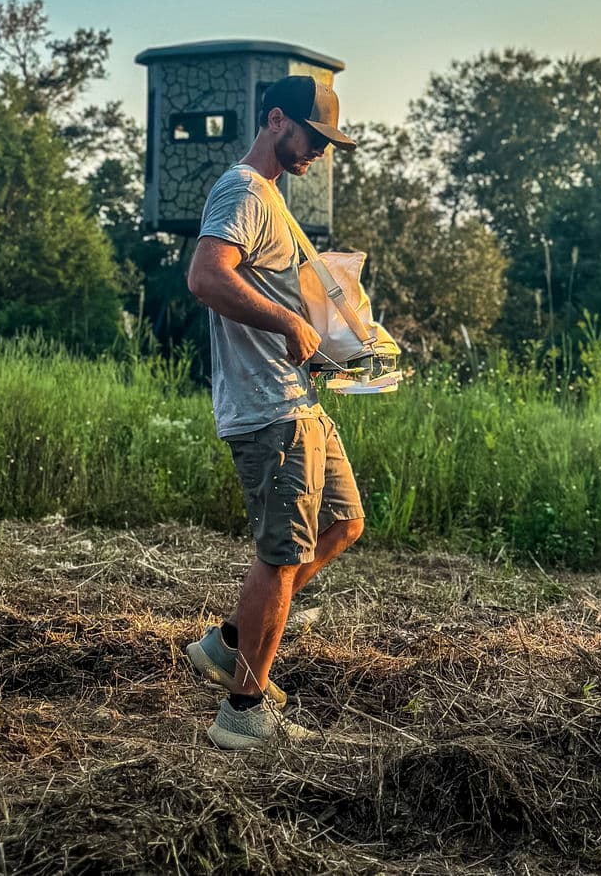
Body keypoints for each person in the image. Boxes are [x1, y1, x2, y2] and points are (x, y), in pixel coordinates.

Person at [184, 74, 365, 751]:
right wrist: (290, 320)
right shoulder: (242, 189)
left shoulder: (273, 203)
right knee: (282, 554)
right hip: (268, 409)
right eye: (311, 136)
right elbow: (206, 277)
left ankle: (232, 642)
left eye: (327, 142)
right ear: (276, 119)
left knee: (343, 522)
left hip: (299, 397)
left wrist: (323, 346)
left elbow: (266, 299)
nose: (318, 150)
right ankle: (243, 709)